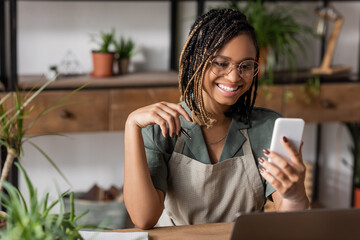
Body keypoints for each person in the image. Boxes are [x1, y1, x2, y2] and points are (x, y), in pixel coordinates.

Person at [124, 8, 310, 230]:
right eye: (221, 63)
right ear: (195, 61)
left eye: (246, 65)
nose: (233, 77)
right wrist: (131, 125)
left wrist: (295, 195)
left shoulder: (266, 128)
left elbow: (291, 223)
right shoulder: (162, 127)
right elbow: (144, 218)